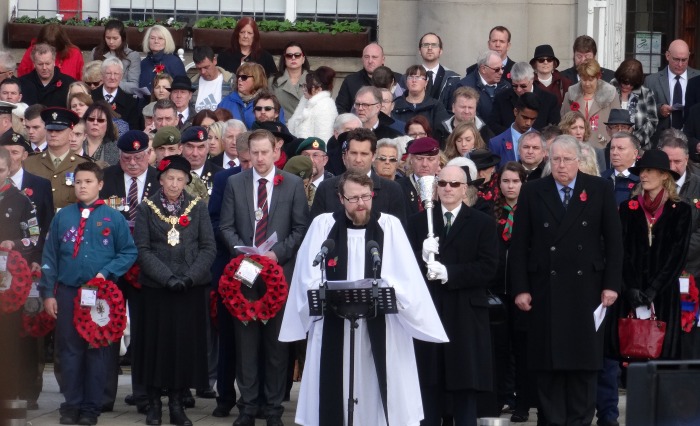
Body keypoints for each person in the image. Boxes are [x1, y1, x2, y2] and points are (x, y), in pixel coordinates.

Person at [280, 170, 448, 426]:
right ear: (340, 198)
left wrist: (389, 287)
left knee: (379, 387)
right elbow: (306, 275)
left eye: (366, 197)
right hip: (333, 325)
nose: (361, 204)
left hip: (382, 326)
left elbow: (407, 278)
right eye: (354, 198)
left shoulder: (389, 226)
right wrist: (320, 287)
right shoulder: (323, 226)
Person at [509, 135, 622, 425]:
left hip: (588, 291)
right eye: (556, 159)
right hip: (545, 289)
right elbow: (520, 244)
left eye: (567, 159)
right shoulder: (534, 191)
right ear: (549, 159)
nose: (561, 165)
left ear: (579, 160)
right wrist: (520, 288)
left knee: (583, 364)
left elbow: (614, 242)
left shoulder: (598, 188)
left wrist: (611, 285)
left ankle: (580, 420)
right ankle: (552, 420)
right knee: (549, 362)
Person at [218, 129, 308, 426]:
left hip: (278, 277)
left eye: (264, 152)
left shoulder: (293, 184)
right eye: (254, 153)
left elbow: (300, 229)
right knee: (246, 346)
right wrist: (242, 254)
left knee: (275, 348)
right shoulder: (235, 183)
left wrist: (276, 255)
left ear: (276, 151)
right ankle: (248, 406)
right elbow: (226, 227)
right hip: (243, 278)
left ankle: (272, 409)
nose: (258, 158)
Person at [40, 161, 137, 426]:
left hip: (99, 296)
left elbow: (128, 252)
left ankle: (91, 407)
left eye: (88, 182)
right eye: (78, 182)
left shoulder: (114, 217)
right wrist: (48, 293)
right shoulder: (63, 216)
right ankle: (71, 404)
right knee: (69, 350)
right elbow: (50, 256)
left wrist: (106, 273)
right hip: (68, 293)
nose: (82, 186)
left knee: (97, 350)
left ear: (100, 185)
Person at [407, 165, 498, 426]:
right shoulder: (417, 223)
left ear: (465, 189)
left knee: (464, 389)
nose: (448, 188)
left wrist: (449, 272)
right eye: (443, 183)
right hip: (430, 312)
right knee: (429, 386)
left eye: (455, 184)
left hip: (466, 316)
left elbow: (488, 267)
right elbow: (402, 267)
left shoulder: (482, 223)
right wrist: (421, 257)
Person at [130, 154, 215, 426]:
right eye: (170, 178)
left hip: (189, 289)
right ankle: (154, 403)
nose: (175, 184)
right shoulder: (146, 208)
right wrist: (167, 278)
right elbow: (142, 250)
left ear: (187, 181)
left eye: (180, 179)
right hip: (157, 289)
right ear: (161, 180)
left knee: (183, 347)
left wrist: (190, 277)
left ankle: (177, 402)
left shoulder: (198, 207)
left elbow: (208, 248)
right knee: (156, 346)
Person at [620, 149, 691, 360]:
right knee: (635, 352)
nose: (643, 175)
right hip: (633, 293)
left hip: (664, 292)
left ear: (664, 175)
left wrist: (653, 289)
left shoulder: (680, 210)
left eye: (649, 170)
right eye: (641, 171)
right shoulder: (628, 208)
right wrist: (631, 288)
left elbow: (678, 255)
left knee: (664, 354)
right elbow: (621, 251)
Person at [491, 161, 535, 422]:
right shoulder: (491, 212)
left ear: (523, 183)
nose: (510, 186)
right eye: (505, 181)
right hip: (497, 289)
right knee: (499, 348)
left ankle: (523, 402)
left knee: (523, 349)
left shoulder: (530, 210)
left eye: (515, 181)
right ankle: (500, 398)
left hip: (522, 289)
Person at [0, 145, 42, 408]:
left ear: (9, 169)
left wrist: (14, 243)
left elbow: (35, 237)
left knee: (9, 338)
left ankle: (10, 392)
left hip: (8, 282)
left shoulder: (22, 199)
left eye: (1, 170)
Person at [310, 127, 407, 223]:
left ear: (373, 156)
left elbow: (398, 233)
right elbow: (315, 230)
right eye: (354, 153)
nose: (358, 159)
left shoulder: (392, 190)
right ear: (346, 154)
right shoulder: (326, 188)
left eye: (364, 154)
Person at [659, 134, 700, 359]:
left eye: (678, 162)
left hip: (692, 271)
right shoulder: (650, 184)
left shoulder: (699, 185)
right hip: (660, 273)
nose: (673, 167)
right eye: (668, 162)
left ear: (687, 160)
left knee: (690, 329)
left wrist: (678, 249)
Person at [23, 107, 90, 210]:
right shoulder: (28, 163)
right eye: (50, 130)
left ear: (71, 134)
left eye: (59, 130)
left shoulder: (83, 165)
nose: (53, 134)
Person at [561, 59, 621, 149]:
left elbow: (618, 124)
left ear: (598, 77)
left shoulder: (610, 93)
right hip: (575, 147)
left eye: (591, 79)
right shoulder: (571, 94)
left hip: (602, 146)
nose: (587, 84)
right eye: (584, 79)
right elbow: (564, 120)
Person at [644, 39, 699, 132]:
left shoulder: (698, 78)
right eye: (676, 59)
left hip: (692, 139)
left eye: (684, 60)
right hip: (662, 138)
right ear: (667, 56)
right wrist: (660, 110)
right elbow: (644, 110)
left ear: (689, 57)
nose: (680, 64)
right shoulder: (652, 81)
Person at [489, 62, 560, 134]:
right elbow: (493, 125)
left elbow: (553, 129)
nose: (519, 90)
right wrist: (513, 135)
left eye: (523, 86)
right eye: (515, 86)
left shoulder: (549, 100)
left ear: (532, 80)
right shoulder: (501, 98)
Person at [335, 43, 401, 114]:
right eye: (366, 57)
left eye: (374, 57)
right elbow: (340, 109)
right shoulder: (350, 81)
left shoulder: (399, 79)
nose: (370, 61)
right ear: (362, 59)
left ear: (383, 60)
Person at [392, 65, 450, 142]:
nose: (414, 80)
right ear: (406, 82)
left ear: (426, 82)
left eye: (418, 77)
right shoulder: (395, 105)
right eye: (410, 77)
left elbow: (442, 133)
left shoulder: (436, 106)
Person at [447, 50, 511, 120]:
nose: (501, 72)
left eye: (502, 68)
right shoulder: (465, 86)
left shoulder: (506, 86)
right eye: (497, 69)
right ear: (483, 69)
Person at [611, 59, 658, 150]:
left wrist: (634, 141)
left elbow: (652, 122)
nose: (627, 86)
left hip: (639, 149)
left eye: (631, 83)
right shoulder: (609, 89)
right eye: (624, 82)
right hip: (611, 146)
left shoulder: (646, 94)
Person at [489, 92, 540, 169]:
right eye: (525, 117)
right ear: (516, 112)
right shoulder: (496, 144)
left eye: (533, 119)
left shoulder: (542, 140)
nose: (528, 123)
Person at [18, 23, 84, 81]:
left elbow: (81, 78)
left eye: (54, 45)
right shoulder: (33, 51)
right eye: (47, 45)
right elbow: (22, 76)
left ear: (61, 43)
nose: (50, 49)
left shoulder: (74, 53)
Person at [287, 66, 338, 142]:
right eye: (304, 85)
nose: (304, 89)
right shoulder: (305, 100)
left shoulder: (325, 106)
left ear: (318, 89)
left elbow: (324, 137)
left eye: (307, 86)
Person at [91, 20, 141, 95]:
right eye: (108, 38)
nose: (111, 42)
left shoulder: (132, 55)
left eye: (115, 38)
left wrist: (110, 82)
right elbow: (89, 77)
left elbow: (134, 86)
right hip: (98, 95)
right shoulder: (96, 51)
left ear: (122, 38)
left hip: (122, 97)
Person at [90, 57, 141, 131]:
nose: (112, 77)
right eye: (108, 73)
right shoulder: (91, 97)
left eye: (116, 74)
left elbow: (133, 130)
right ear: (102, 75)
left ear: (121, 76)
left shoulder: (131, 102)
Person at [19, 43, 76, 108]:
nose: (44, 68)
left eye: (48, 63)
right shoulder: (23, 83)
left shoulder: (69, 83)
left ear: (54, 62)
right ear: (34, 64)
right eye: (40, 64)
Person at [397, 137, 441, 216]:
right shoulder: (398, 187)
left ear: (438, 161)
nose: (424, 164)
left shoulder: (446, 185)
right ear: (411, 160)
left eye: (430, 159)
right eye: (419, 158)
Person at [218, 62, 268, 128]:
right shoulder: (226, 102)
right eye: (238, 76)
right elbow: (217, 128)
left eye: (244, 77)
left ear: (257, 79)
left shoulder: (269, 103)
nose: (239, 79)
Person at [139, 25, 186, 94]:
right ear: (148, 40)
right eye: (152, 38)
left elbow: (182, 90)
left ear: (167, 41)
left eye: (160, 38)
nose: (156, 41)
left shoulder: (174, 62)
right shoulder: (144, 63)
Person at [419, 32, 460, 111]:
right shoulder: (408, 77)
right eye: (426, 45)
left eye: (434, 45)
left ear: (440, 51)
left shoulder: (453, 79)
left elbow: (453, 110)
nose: (430, 48)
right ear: (419, 50)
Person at [269, 42, 310, 118]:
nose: (293, 58)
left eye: (297, 55)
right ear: (284, 59)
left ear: (303, 59)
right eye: (289, 55)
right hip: (282, 127)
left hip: (307, 127)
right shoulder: (272, 81)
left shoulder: (314, 80)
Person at [190, 46, 233, 113]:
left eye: (206, 67)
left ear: (214, 61)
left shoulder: (231, 81)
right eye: (199, 68)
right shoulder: (191, 83)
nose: (203, 72)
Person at [600, 132, 640, 204]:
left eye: (620, 148)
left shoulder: (642, 179)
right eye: (612, 148)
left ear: (635, 154)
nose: (614, 152)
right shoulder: (601, 178)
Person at [82, 101, 120, 167]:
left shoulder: (116, 147)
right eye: (91, 119)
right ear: (85, 121)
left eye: (100, 120)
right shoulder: (76, 142)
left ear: (108, 124)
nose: (95, 123)